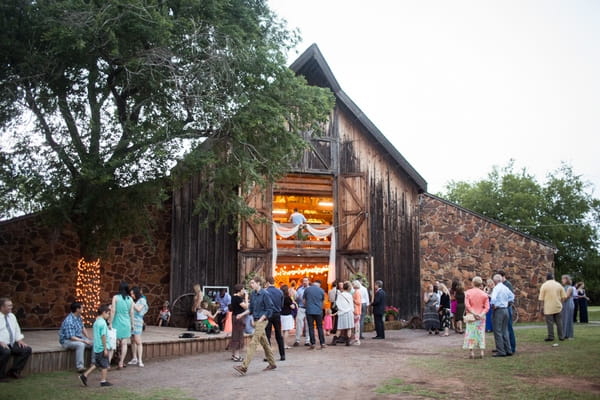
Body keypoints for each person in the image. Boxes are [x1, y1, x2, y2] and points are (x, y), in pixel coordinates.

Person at [233, 276, 276, 376]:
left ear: (258, 283)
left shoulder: (265, 294)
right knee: (265, 343)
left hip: (262, 320)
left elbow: (270, 309)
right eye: (250, 283)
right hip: (256, 320)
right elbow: (251, 309)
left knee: (253, 342)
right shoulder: (253, 294)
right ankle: (272, 363)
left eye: (252, 283)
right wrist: (241, 314)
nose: (250, 284)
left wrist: (261, 319)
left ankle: (244, 367)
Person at [79, 304, 112, 387]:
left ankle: (84, 375)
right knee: (105, 365)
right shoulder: (103, 323)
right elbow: (103, 336)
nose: (109, 316)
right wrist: (105, 348)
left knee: (97, 364)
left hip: (96, 347)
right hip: (101, 347)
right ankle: (103, 381)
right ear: (104, 312)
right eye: (108, 313)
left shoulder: (96, 322)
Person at [0, 298, 32, 381]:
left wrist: (19, 339)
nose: (11, 307)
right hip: (1, 343)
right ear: (2, 307)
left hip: (11, 342)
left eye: (11, 305)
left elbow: (17, 329)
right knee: (6, 352)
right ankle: (1, 375)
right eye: (9, 306)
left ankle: (14, 371)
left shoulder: (12, 316)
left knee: (26, 349)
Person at [59, 302, 93, 372]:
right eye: (82, 308)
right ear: (77, 309)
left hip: (78, 338)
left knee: (94, 343)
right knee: (80, 345)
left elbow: (82, 327)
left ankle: (93, 363)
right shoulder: (69, 320)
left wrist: (88, 337)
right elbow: (71, 337)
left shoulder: (79, 317)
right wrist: (84, 341)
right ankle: (80, 367)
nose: (83, 309)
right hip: (67, 341)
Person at [462, 277, 490, 359]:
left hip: (471, 316)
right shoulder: (484, 294)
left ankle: (472, 352)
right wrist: (481, 314)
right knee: (481, 333)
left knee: (471, 333)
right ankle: (481, 351)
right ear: (481, 284)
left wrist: (473, 312)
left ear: (473, 283)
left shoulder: (468, 293)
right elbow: (487, 307)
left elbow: (467, 305)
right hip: (481, 317)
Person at [109, 281, 134, 369]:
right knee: (124, 343)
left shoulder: (115, 297)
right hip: (126, 322)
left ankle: (108, 363)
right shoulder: (130, 299)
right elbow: (131, 313)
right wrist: (132, 324)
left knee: (113, 343)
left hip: (117, 321)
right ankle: (121, 362)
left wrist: (110, 322)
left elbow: (113, 311)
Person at [490, 274, 514, 357]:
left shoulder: (496, 288)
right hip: (506, 310)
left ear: (495, 281)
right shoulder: (505, 287)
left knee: (497, 331)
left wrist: (493, 305)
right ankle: (508, 349)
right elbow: (512, 296)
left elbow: (493, 298)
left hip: (499, 310)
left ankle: (501, 351)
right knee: (505, 330)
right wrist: (508, 303)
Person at [539, 272, 567, 342]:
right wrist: (561, 303)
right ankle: (561, 336)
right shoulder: (558, 285)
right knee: (559, 322)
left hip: (548, 307)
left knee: (550, 323)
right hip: (557, 306)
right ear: (553, 277)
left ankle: (551, 336)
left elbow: (541, 298)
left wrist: (542, 307)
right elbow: (564, 296)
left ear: (546, 278)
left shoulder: (544, 285)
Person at [265, 277, 285, 360]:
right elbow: (282, 304)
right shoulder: (280, 291)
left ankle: (269, 356)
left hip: (268, 314)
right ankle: (282, 355)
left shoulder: (265, 292)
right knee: (279, 335)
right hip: (277, 314)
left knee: (267, 335)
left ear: (267, 282)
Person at [128, 286, 148, 367]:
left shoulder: (142, 300)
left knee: (138, 341)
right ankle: (134, 358)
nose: (132, 295)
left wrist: (131, 302)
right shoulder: (136, 300)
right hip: (132, 322)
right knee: (132, 340)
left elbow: (139, 309)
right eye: (131, 294)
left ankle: (140, 360)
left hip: (138, 323)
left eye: (132, 294)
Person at [304, 280, 327, 350]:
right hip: (318, 311)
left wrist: (307, 306)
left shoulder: (307, 290)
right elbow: (323, 301)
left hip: (309, 310)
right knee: (319, 327)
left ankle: (313, 343)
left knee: (311, 327)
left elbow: (304, 300)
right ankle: (322, 343)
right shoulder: (321, 290)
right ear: (319, 285)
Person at [498, 270, 516, 353]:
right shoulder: (500, 284)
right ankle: (503, 346)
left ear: (503, 276)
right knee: (502, 329)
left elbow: (511, 298)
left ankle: (512, 347)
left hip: (506, 308)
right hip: (502, 309)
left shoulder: (508, 284)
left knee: (508, 328)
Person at [230, 284, 249, 362]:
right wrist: (246, 298)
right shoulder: (238, 298)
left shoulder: (233, 297)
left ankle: (234, 354)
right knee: (238, 335)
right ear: (240, 290)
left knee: (235, 334)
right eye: (243, 289)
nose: (244, 291)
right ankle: (237, 356)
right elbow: (246, 307)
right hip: (239, 318)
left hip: (234, 316)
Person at [293, 277, 311, 347]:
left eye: (306, 281)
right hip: (301, 308)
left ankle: (307, 340)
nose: (304, 282)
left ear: (309, 281)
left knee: (308, 324)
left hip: (308, 308)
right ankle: (297, 340)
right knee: (298, 324)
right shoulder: (299, 290)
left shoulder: (310, 289)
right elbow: (296, 299)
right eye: (303, 281)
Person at [351, 281, 362, 345]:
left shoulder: (357, 292)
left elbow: (358, 302)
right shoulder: (356, 292)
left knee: (356, 326)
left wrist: (352, 299)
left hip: (356, 311)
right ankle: (355, 338)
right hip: (355, 310)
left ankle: (357, 340)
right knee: (355, 326)